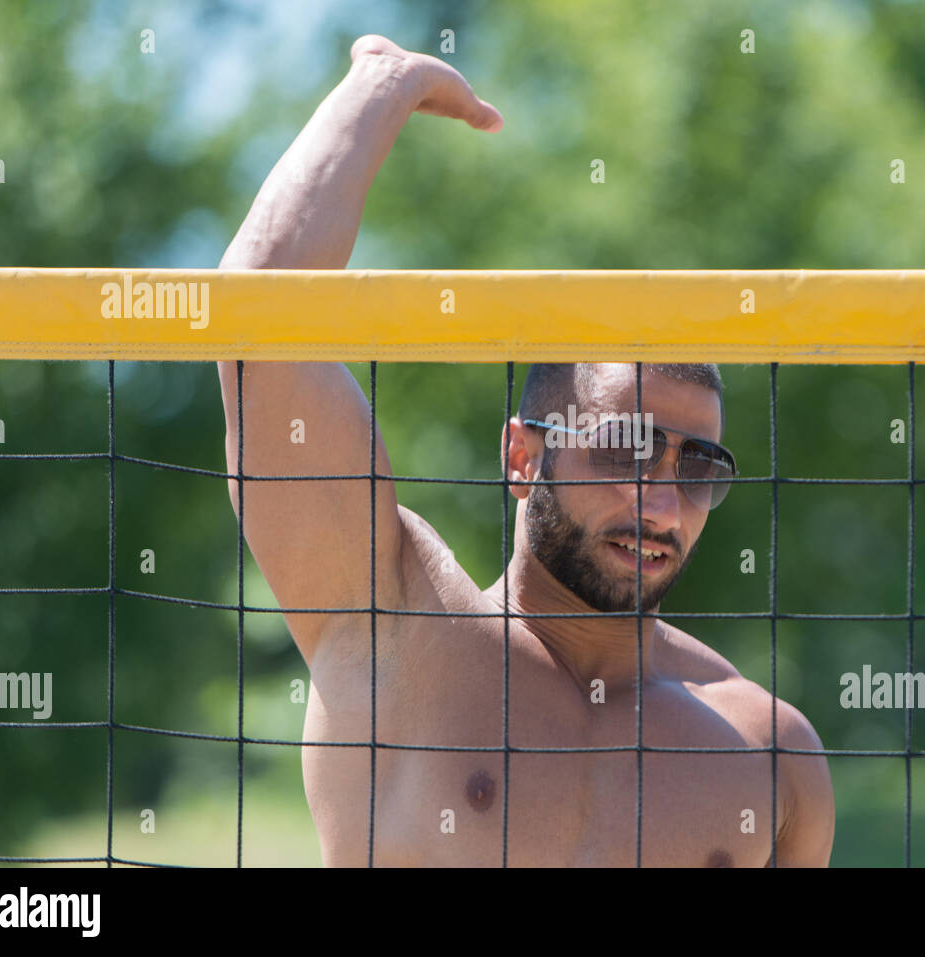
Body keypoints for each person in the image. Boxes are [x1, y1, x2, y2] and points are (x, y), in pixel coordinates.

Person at [216, 34, 833, 866]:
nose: (659, 500)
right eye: (625, 447)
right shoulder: (396, 631)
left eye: (697, 469)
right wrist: (384, 88)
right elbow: (256, 317)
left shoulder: (770, 749)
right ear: (522, 457)